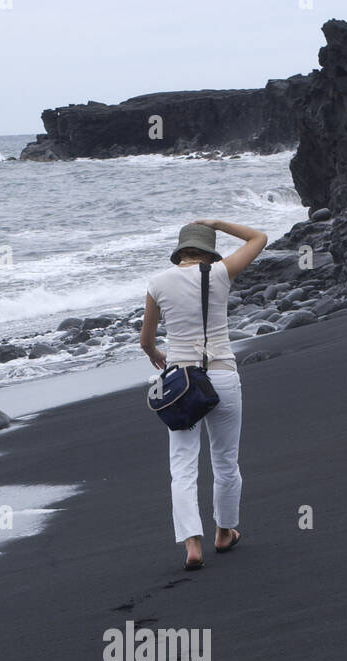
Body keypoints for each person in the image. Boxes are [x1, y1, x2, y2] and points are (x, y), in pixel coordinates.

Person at [140, 218, 267, 570]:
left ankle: (192, 545)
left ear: (180, 252)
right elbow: (259, 236)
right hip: (222, 375)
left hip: (181, 383)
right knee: (225, 461)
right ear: (209, 250)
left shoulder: (158, 282)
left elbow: (146, 340)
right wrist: (216, 223)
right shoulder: (221, 273)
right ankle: (224, 533)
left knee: (182, 465)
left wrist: (156, 356)